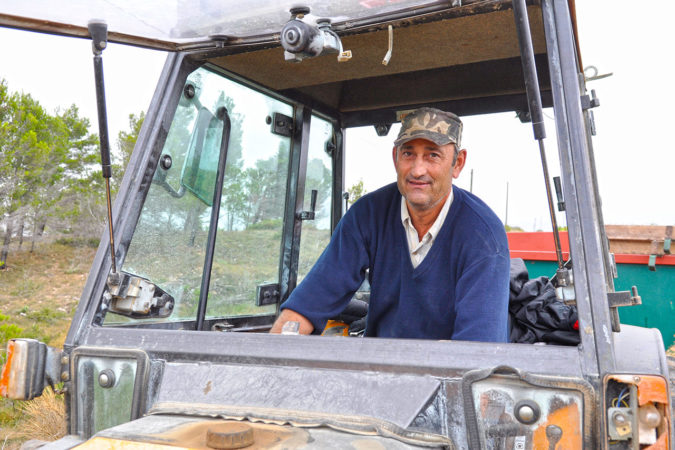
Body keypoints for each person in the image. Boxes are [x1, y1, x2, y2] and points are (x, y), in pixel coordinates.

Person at [270, 107, 510, 342]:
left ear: (457, 163)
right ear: (395, 158)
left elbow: (478, 349)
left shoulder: (483, 235)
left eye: (432, 155)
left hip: (447, 374)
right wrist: (274, 357)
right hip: (378, 369)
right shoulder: (367, 214)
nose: (417, 170)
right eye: (408, 154)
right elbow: (311, 301)